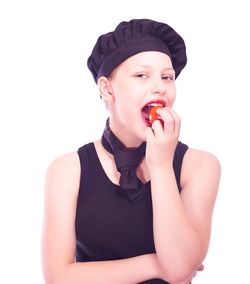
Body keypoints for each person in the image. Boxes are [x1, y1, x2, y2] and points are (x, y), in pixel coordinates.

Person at [41, 18, 221, 284]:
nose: (159, 86)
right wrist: (155, 264)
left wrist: (160, 167)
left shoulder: (200, 166)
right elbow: (58, 277)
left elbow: (181, 266)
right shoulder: (67, 171)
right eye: (141, 75)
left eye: (167, 77)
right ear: (107, 89)